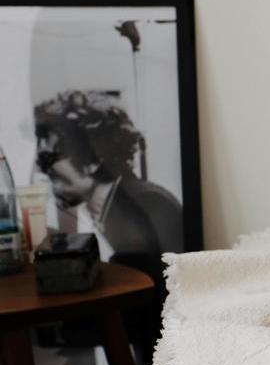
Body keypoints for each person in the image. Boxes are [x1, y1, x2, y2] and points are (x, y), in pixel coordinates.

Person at [33, 90, 183, 286]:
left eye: (52, 157)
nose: (41, 168)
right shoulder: (97, 209)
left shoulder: (151, 203)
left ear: (93, 159)